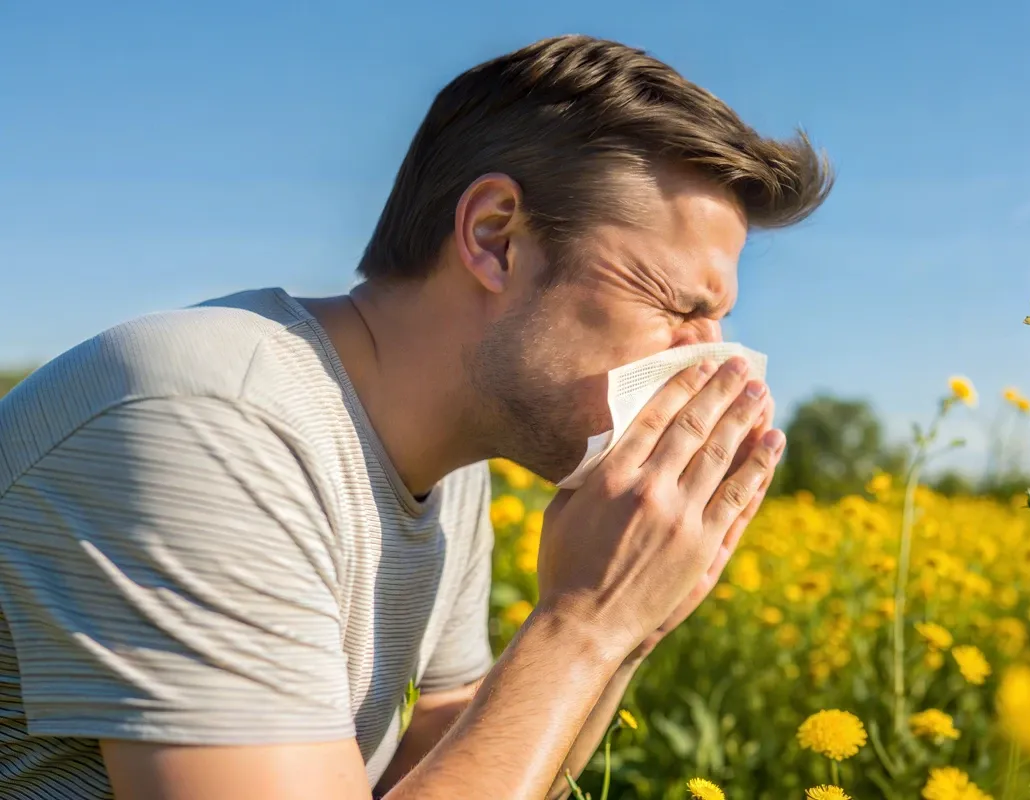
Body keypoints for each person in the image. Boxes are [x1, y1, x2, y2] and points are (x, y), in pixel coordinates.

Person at [0, 34, 831, 800]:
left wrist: (627, 629)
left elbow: (449, 757)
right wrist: (584, 624)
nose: (712, 359)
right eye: (678, 304)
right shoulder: (208, 423)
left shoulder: (452, 455)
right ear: (496, 236)